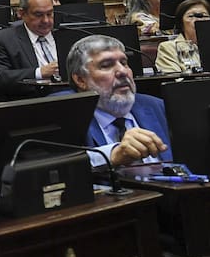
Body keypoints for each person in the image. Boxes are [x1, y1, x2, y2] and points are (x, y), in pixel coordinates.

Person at [65, 34, 172, 166]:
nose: (122, 71)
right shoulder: (68, 116)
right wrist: (112, 154)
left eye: (124, 63)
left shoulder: (157, 106)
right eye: (106, 65)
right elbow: (61, 164)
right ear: (81, 80)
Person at [0, 0, 59, 97]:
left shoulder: (66, 34)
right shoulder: (4, 39)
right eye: (38, 15)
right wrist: (39, 72)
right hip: (31, 101)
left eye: (49, 13)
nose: (46, 20)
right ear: (22, 14)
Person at [155, 0, 210, 73]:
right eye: (191, 16)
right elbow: (174, 79)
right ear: (181, 23)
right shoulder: (169, 48)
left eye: (204, 16)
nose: (198, 20)